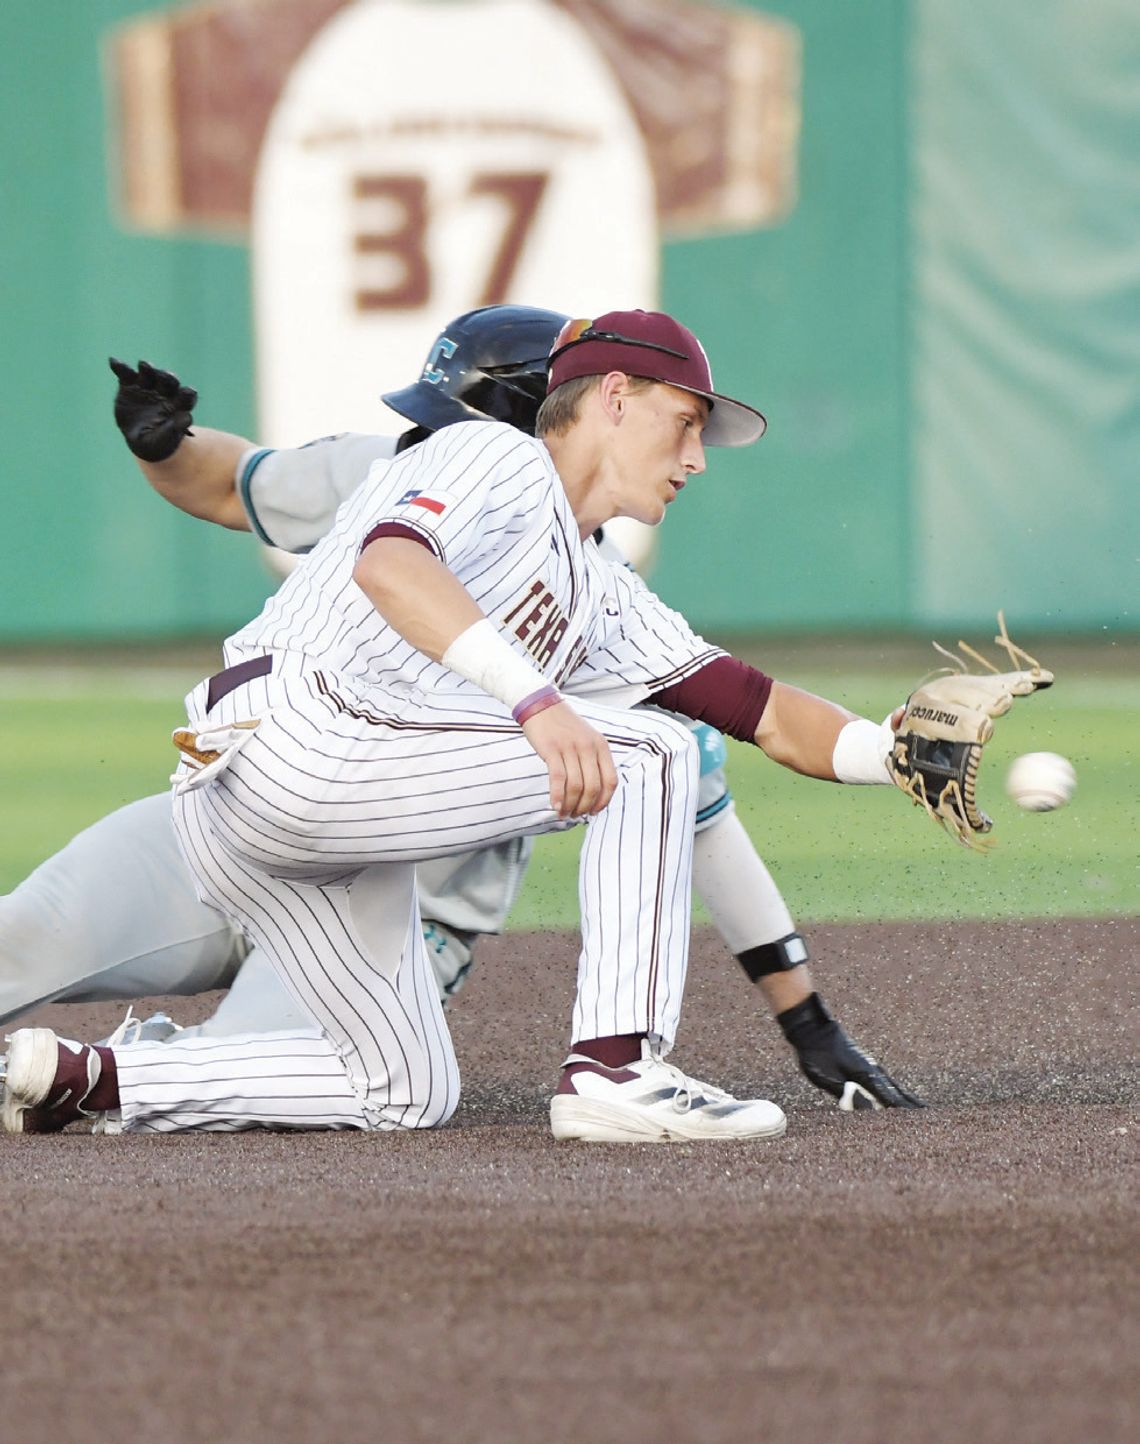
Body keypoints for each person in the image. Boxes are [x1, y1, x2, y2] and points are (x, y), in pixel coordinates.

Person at [2, 309, 915, 1142]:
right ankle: (616, 1067)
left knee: (404, 1091)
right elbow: (389, 564)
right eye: (686, 423)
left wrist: (894, 751)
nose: (698, 457)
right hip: (297, 740)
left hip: (322, 829)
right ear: (612, 398)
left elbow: (757, 708)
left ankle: (84, 1075)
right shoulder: (493, 455)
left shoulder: (603, 593)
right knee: (649, 752)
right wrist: (538, 701)